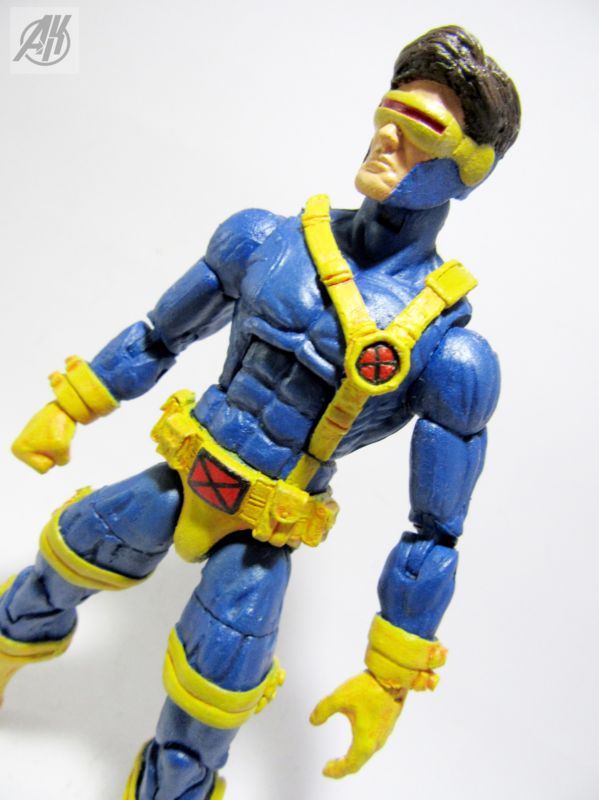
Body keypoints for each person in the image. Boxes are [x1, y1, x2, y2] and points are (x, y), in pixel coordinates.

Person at [1, 25, 520, 800]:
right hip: (177, 476)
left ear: (467, 169)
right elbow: (159, 335)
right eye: (388, 113)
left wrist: (389, 674)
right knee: (39, 587)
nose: (389, 136)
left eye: (422, 128)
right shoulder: (267, 241)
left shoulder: (451, 354)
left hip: (261, 531)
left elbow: (434, 531)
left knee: (198, 730)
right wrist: (71, 407)